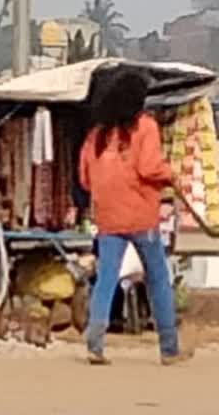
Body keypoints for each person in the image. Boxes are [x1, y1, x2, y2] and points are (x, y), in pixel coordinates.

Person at [78, 70, 192, 366]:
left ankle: (95, 342)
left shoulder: (97, 135)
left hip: (107, 217)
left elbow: (85, 178)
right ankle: (169, 348)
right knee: (157, 279)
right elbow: (149, 167)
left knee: (106, 279)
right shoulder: (145, 127)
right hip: (141, 215)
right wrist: (172, 175)